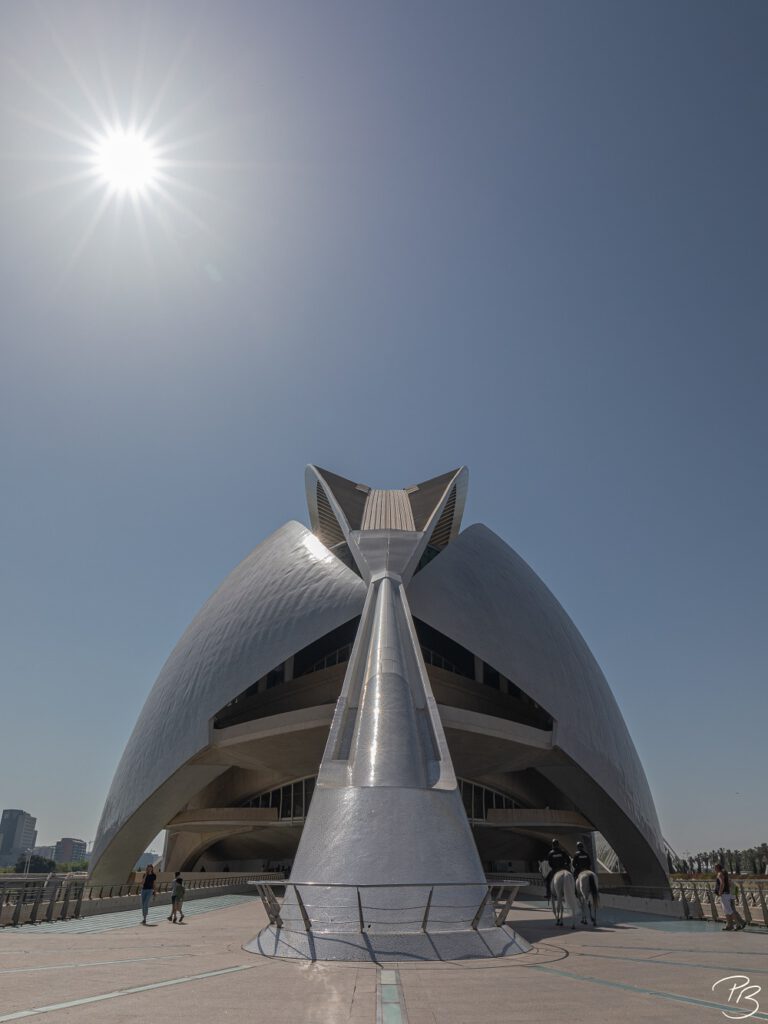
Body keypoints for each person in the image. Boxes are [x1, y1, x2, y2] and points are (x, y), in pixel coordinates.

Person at [715, 863, 745, 931]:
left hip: (727, 895)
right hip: (729, 895)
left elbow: (723, 884)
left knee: (730, 910)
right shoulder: (725, 876)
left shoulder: (721, 875)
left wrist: (720, 892)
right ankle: (730, 925)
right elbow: (732, 885)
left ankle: (738, 924)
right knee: (727, 911)